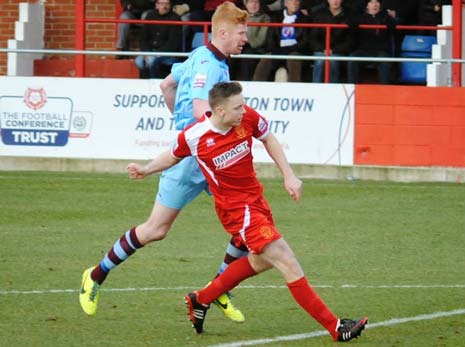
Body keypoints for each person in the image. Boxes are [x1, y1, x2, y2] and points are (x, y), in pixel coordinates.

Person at [127, 81, 368, 342]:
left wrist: (289, 176)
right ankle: (335, 327)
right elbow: (172, 155)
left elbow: (269, 138)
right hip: (236, 211)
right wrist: (146, 169)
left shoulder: (246, 118)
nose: (244, 111)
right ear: (219, 110)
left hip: (257, 202)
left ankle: (201, 299)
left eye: (243, 105)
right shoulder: (195, 136)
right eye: (237, 107)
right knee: (285, 258)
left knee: (261, 260)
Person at [79, 1, 249, 323]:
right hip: (194, 158)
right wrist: (215, 127)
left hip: (209, 158)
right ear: (223, 32)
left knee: (247, 224)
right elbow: (202, 109)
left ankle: (220, 287)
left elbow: (166, 85)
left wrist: (179, 122)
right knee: (156, 229)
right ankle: (96, 274)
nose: (245, 39)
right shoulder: (210, 66)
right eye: (241, 33)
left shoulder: (202, 56)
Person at [252, 0, 310, 82]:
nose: (294, 3)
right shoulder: (276, 17)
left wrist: (288, 49)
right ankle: (255, 88)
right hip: (278, 50)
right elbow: (271, 38)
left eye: (296, 1)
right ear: (286, 3)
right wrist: (277, 50)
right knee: (266, 59)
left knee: (294, 59)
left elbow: (305, 41)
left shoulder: (305, 19)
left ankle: (294, 91)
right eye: (291, 1)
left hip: (295, 51)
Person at [347, 0, 396, 84]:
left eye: (377, 2)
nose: (375, 5)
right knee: (352, 59)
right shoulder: (360, 18)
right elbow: (350, 23)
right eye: (371, 2)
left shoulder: (386, 18)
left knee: (384, 61)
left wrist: (390, 16)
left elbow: (393, 27)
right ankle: (352, 87)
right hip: (362, 50)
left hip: (380, 51)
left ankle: (385, 89)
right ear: (367, 6)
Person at [134, 0, 182, 79]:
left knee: (151, 61)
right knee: (138, 61)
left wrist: (158, 53)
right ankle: (145, 82)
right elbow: (143, 38)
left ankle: (154, 82)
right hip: (150, 50)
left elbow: (173, 42)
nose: (165, 6)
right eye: (162, 3)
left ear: (170, 5)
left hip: (167, 51)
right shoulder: (150, 16)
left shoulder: (175, 18)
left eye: (167, 3)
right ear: (157, 5)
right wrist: (146, 52)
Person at [309, 0, 351, 83]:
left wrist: (334, 50)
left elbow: (350, 40)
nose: (335, 1)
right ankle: (315, 88)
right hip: (321, 49)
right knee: (319, 61)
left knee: (332, 61)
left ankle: (333, 88)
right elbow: (313, 37)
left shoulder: (349, 15)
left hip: (338, 50)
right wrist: (322, 49)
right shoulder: (319, 14)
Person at [231, 0, 271, 81]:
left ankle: (247, 84)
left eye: (256, 2)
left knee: (248, 55)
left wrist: (247, 44)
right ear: (246, 4)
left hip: (257, 49)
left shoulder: (265, 18)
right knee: (229, 55)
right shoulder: (239, 18)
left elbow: (261, 39)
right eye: (251, 2)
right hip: (240, 46)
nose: (253, 5)